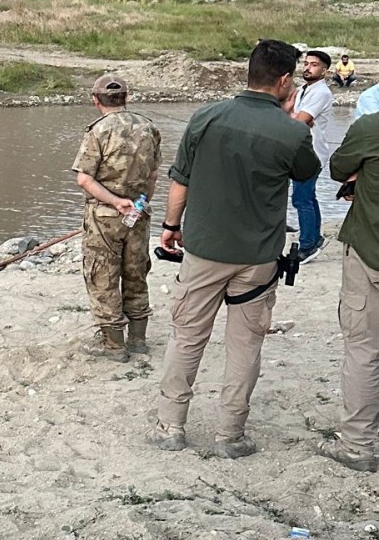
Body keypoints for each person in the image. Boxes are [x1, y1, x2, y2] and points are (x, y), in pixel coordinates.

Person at [149, 40, 320, 457]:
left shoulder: (205, 117)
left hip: (204, 248)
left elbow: (180, 180)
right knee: (246, 345)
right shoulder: (292, 130)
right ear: (283, 81)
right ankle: (231, 435)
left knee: (187, 337)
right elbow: (308, 173)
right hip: (259, 257)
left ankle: (171, 427)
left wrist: (171, 226)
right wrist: (286, 119)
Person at [72, 74, 161, 360]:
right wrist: (139, 203)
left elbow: (85, 179)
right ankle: (138, 339)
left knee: (102, 275)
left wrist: (116, 202)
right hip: (138, 213)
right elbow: (154, 174)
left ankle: (113, 344)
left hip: (104, 217)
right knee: (136, 272)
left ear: (95, 100)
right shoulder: (148, 127)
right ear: (127, 97)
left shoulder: (97, 131)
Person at [324, 106, 379, 470]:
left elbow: (337, 167)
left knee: (363, 348)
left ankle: (358, 446)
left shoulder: (371, 127)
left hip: (371, 251)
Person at [290, 49, 333, 260]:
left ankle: (308, 245)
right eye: (306, 63)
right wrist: (296, 116)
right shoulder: (302, 90)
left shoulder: (321, 92)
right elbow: (289, 112)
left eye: (314, 64)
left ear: (324, 71)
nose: (307, 67)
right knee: (308, 196)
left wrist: (297, 117)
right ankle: (314, 237)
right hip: (301, 150)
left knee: (301, 199)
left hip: (312, 153)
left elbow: (300, 120)